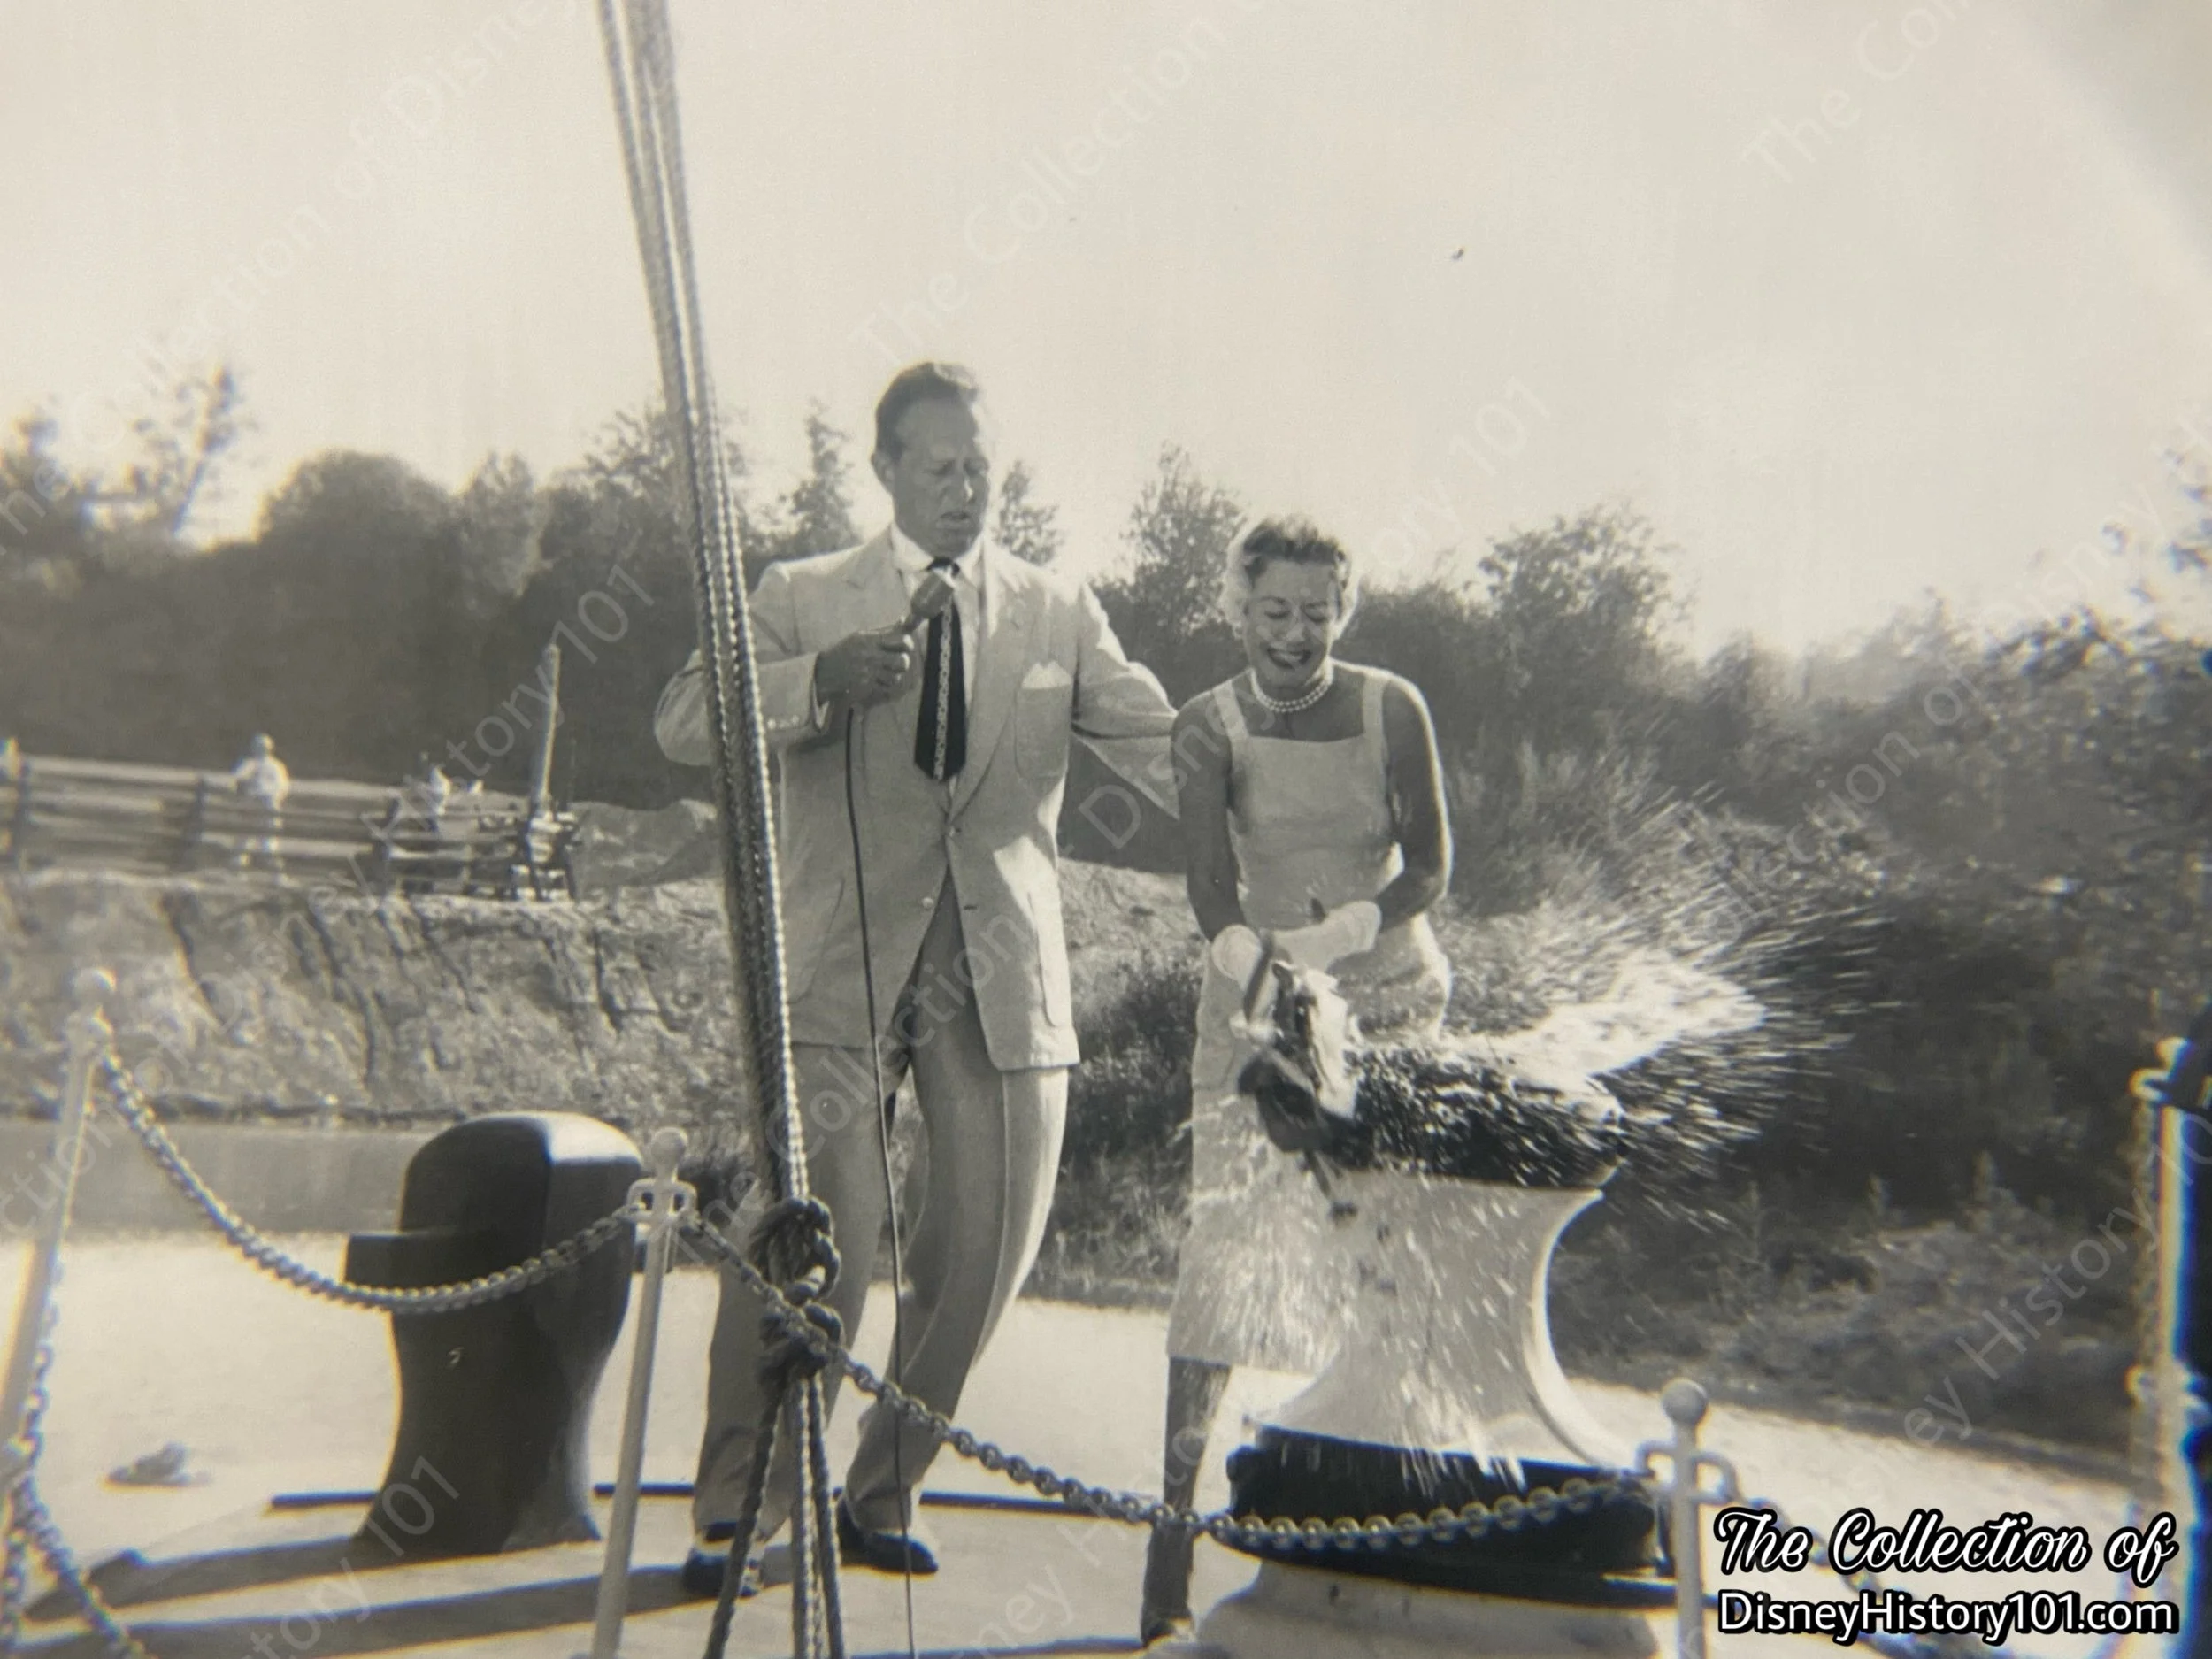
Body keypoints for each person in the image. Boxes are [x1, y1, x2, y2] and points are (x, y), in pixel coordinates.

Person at [654, 362, 1179, 1597]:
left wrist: (1288, 742)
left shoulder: (1059, 609)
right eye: (936, 467)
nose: (961, 489)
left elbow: (1168, 745)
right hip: (839, 956)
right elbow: (684, 718)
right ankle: (741, 1501)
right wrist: (811, 684)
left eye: (980, 469)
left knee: (985, 1236)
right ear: (883, 468)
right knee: (811, 1225)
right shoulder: (799, 593)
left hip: (998, 967)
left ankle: (884, 1486)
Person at [1141, 517, 1454, 1644]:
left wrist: (1358, 929)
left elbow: (1433, 862)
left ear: (1345, 611)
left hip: (1388, 997)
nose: (1294, 633)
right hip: (1253, 997)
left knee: (1387, 1258)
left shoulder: (1390, 705)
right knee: (1216, 1261)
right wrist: (1256, 964)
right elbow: (1207, 887)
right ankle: (1165, 1557)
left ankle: (1384, 1552)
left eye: (1317, 613)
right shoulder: (1206, 725)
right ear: (1236, 609)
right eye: (1273, 611)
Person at [228, 733, 291, 874]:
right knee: (252, 836)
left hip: (263, 804)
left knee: (260, 837)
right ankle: (242, 865)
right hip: (258, 805)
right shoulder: (254, 765)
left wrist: (262, 794)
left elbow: (281, 787)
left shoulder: (271, 766)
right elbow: (235, 782)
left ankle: (267, 867)